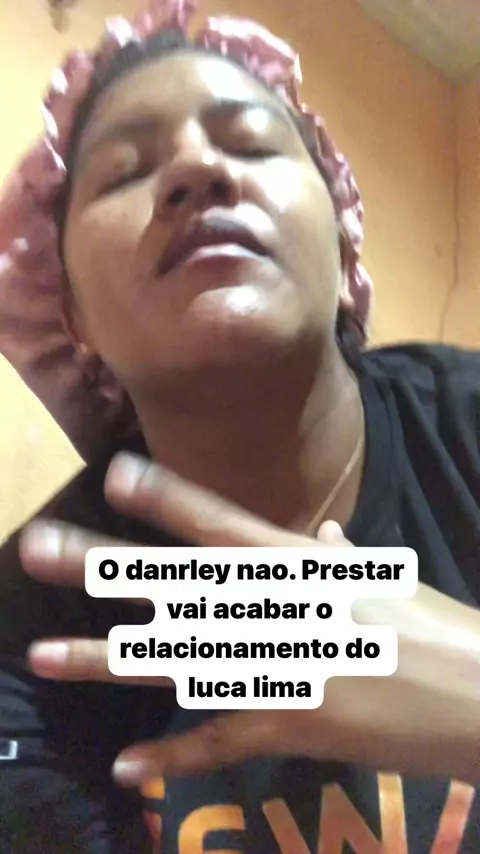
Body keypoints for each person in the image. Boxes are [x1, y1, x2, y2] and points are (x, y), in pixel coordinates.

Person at [0, 1, 479, 851]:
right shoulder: (28, 619)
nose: (197, 168)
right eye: (125, 173)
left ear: (344, 247)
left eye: (252, 144)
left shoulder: (466, 425)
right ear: (71, 317)